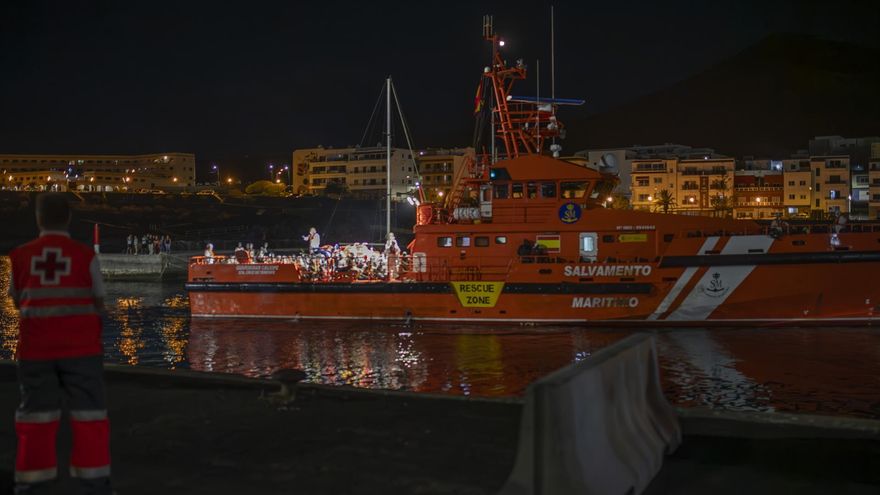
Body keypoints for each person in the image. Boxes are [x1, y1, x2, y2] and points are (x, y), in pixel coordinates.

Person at [7, 193, 113, 494]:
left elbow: (16, 300)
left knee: (35, 416)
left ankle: (32, 483)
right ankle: (94, 483)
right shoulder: (84, 256)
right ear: (68, 218)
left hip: (34, 351)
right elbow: (99, 302)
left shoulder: (19, 256)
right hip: (82, 351)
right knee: (89, 416)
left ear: (38, 219)